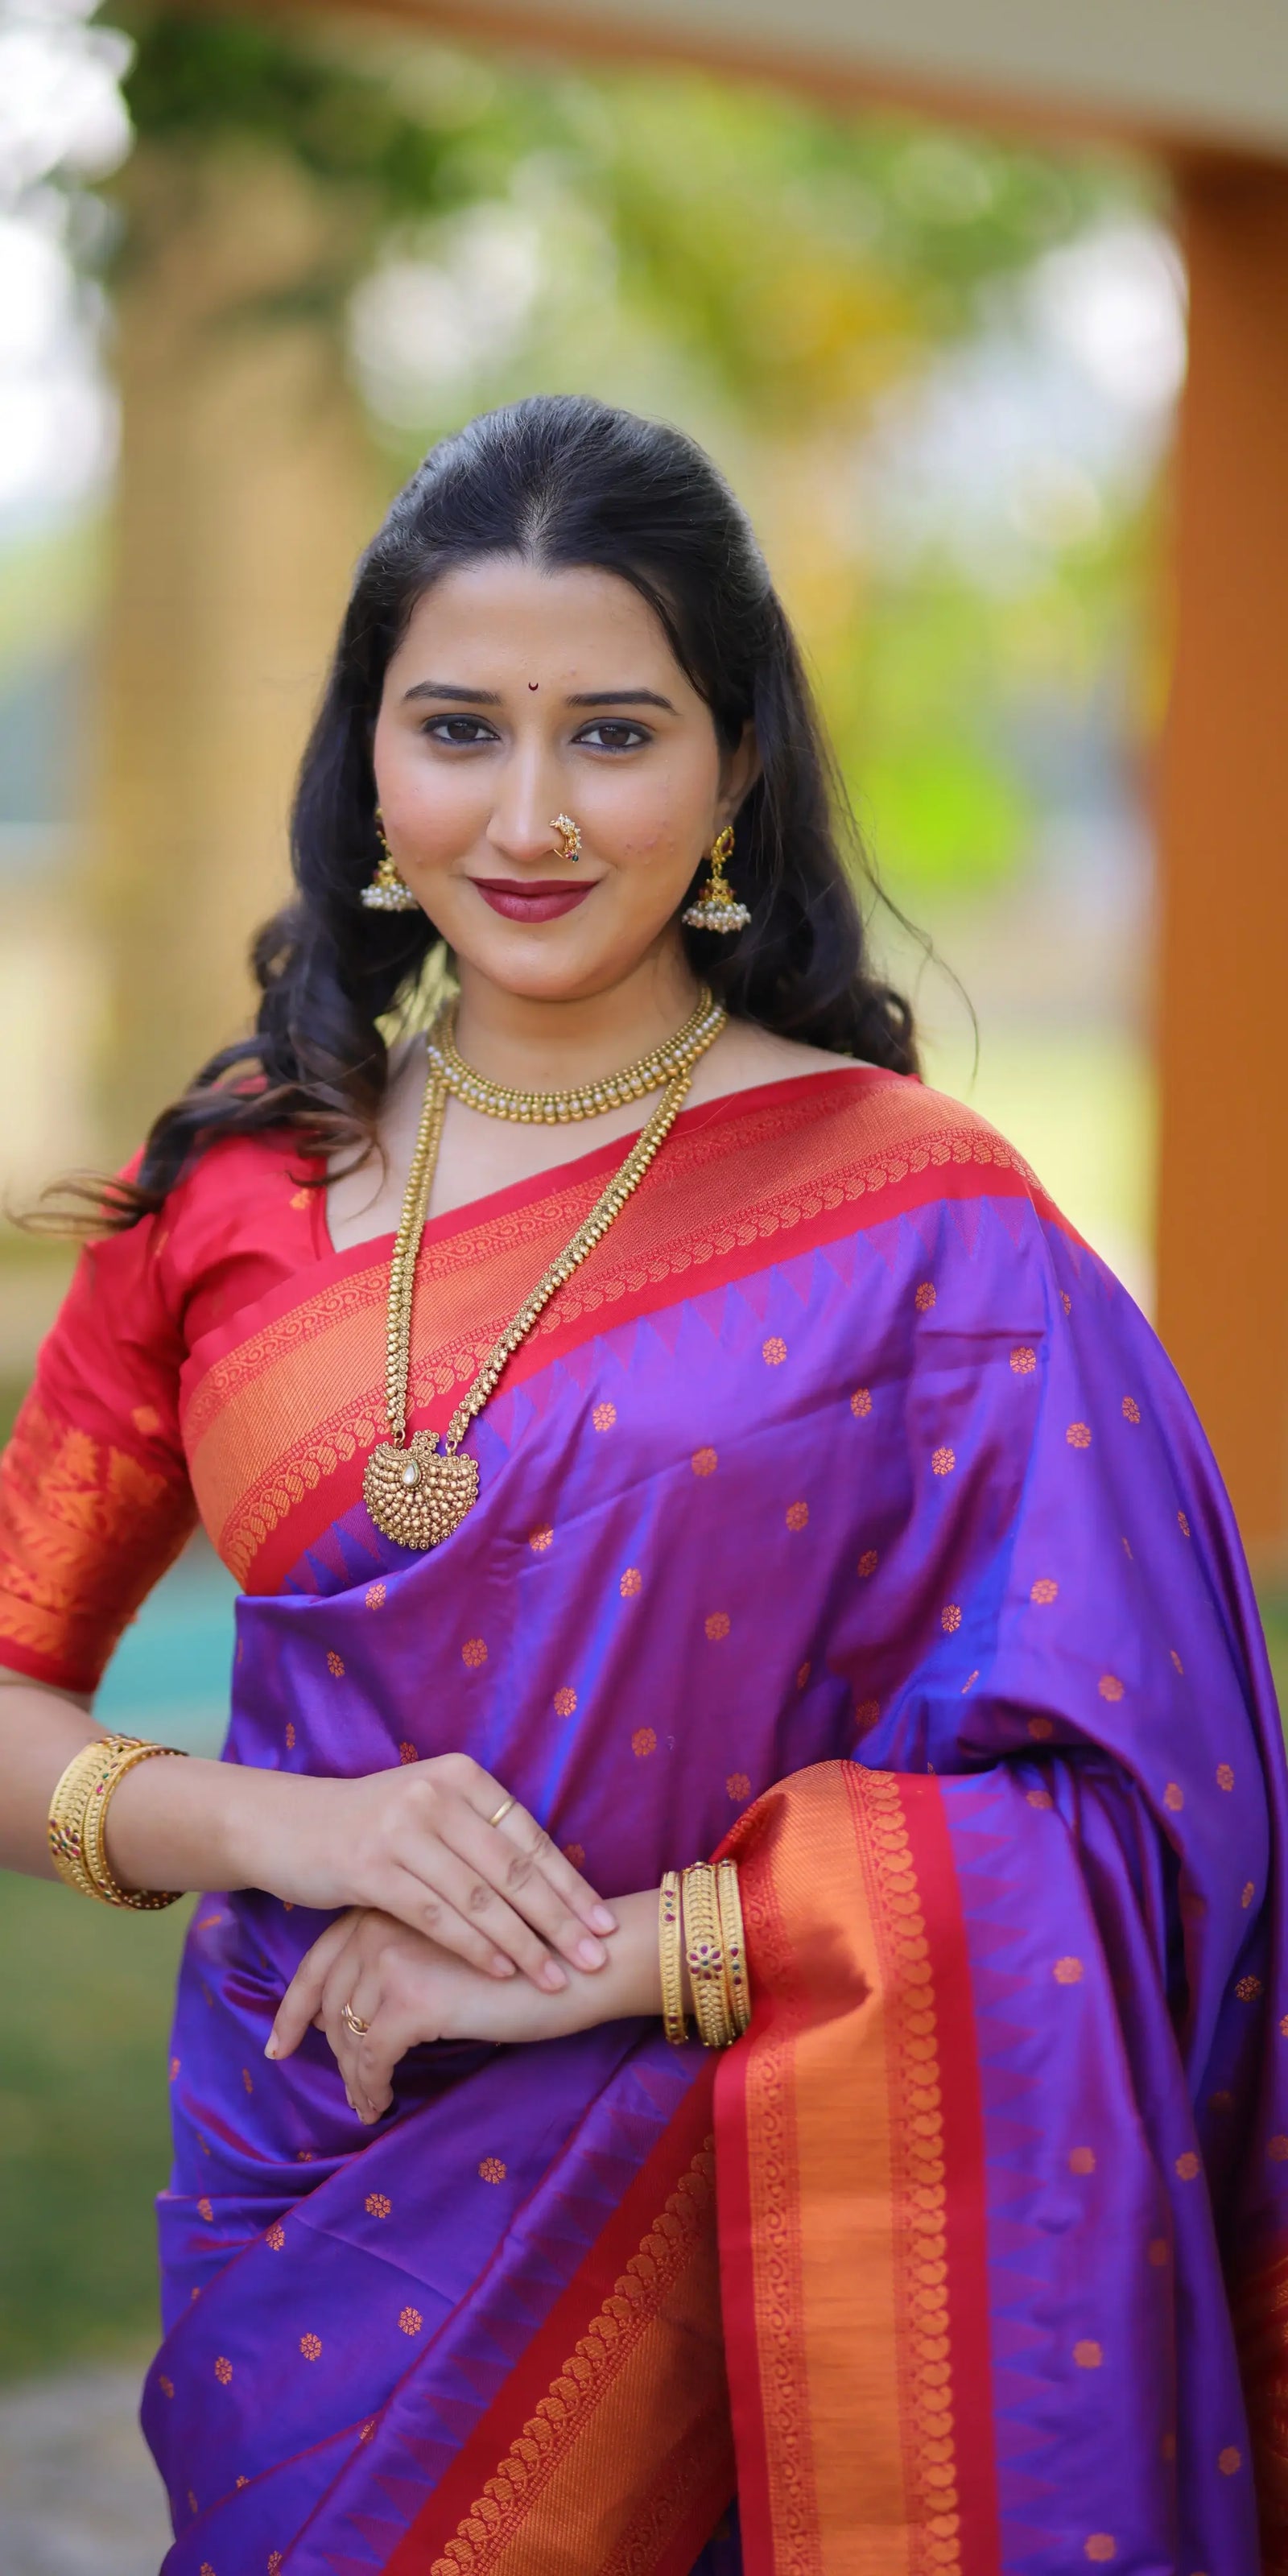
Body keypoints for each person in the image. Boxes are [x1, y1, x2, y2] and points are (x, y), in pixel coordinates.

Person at [0, 393, 1283, 2576]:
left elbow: (1157, 1811)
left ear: (734, 772)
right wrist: (289, 1824)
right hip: (307, 2200)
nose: (527, 815)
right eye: (457, 729)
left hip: (751, 2248)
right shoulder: (233, 1190)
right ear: (369, 763)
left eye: (611, 732)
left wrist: (634, 1952)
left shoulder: (931, 1226)